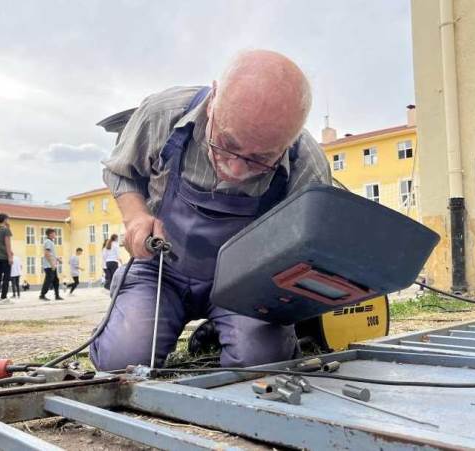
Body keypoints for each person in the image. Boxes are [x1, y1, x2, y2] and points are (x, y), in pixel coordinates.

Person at [90, 50, 331, 371]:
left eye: (259, 159)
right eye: (227, 143)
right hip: (160, 272)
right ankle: (130, 319)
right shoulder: (163, 114)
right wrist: (136, 216)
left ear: (289, 140)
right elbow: (120, 171)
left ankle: (223, 331)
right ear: (214, 97)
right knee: (120, 361)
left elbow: (311, 250)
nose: (234, 170)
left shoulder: (306, 163)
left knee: (260, 363)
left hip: (245, 285)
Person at [0, 213, 14, 303]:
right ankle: (4, 297)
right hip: (5, 256)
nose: (8, 220)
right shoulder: (6, 230)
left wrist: (8, 227)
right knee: (6, 277)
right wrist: (10, 257)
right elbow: (7, 244)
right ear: (5, 219)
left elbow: (0, 243)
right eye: (7, 219)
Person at [39, 228, 63, 301]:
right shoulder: (48, 242)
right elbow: (47, 254)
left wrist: (57, 259)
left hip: (52, 265)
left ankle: (57, 295)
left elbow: (51, 254)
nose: (55, 235)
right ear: (50, 234)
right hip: (49, 265)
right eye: (54, 233)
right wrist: (52, 263)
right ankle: (42, 295)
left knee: (56, 280)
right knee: (48, 280)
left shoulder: (50, 242)